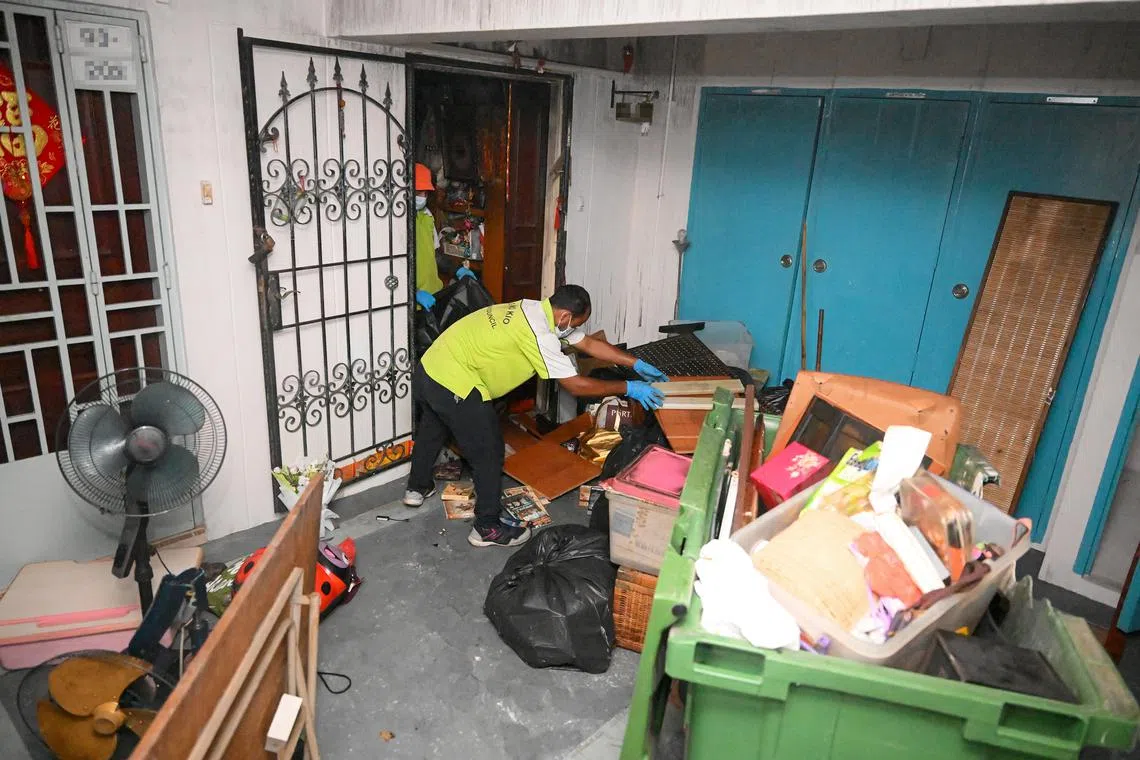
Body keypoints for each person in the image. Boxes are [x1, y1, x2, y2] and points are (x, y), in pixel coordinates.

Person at [403, 284, 670, 548]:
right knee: (489, 452)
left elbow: (588, 343)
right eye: (577, 322)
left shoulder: (533, 309)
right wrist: (629, 388)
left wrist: (634, 363)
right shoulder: (541, 335)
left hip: (430, 367)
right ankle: (487, 528)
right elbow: (575, 385)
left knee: (432, 427)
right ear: (565, 316)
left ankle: (417, 487)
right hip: (454, 381)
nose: (577, 329)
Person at [413, 163, 474, 311]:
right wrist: (412, 293)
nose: (422, 197)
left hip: (434, 295)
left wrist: (458, 269)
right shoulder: (398, 225)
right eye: (418, 192)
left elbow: (435, 255)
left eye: (425, 193)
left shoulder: (427, 217)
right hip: (412, 303)